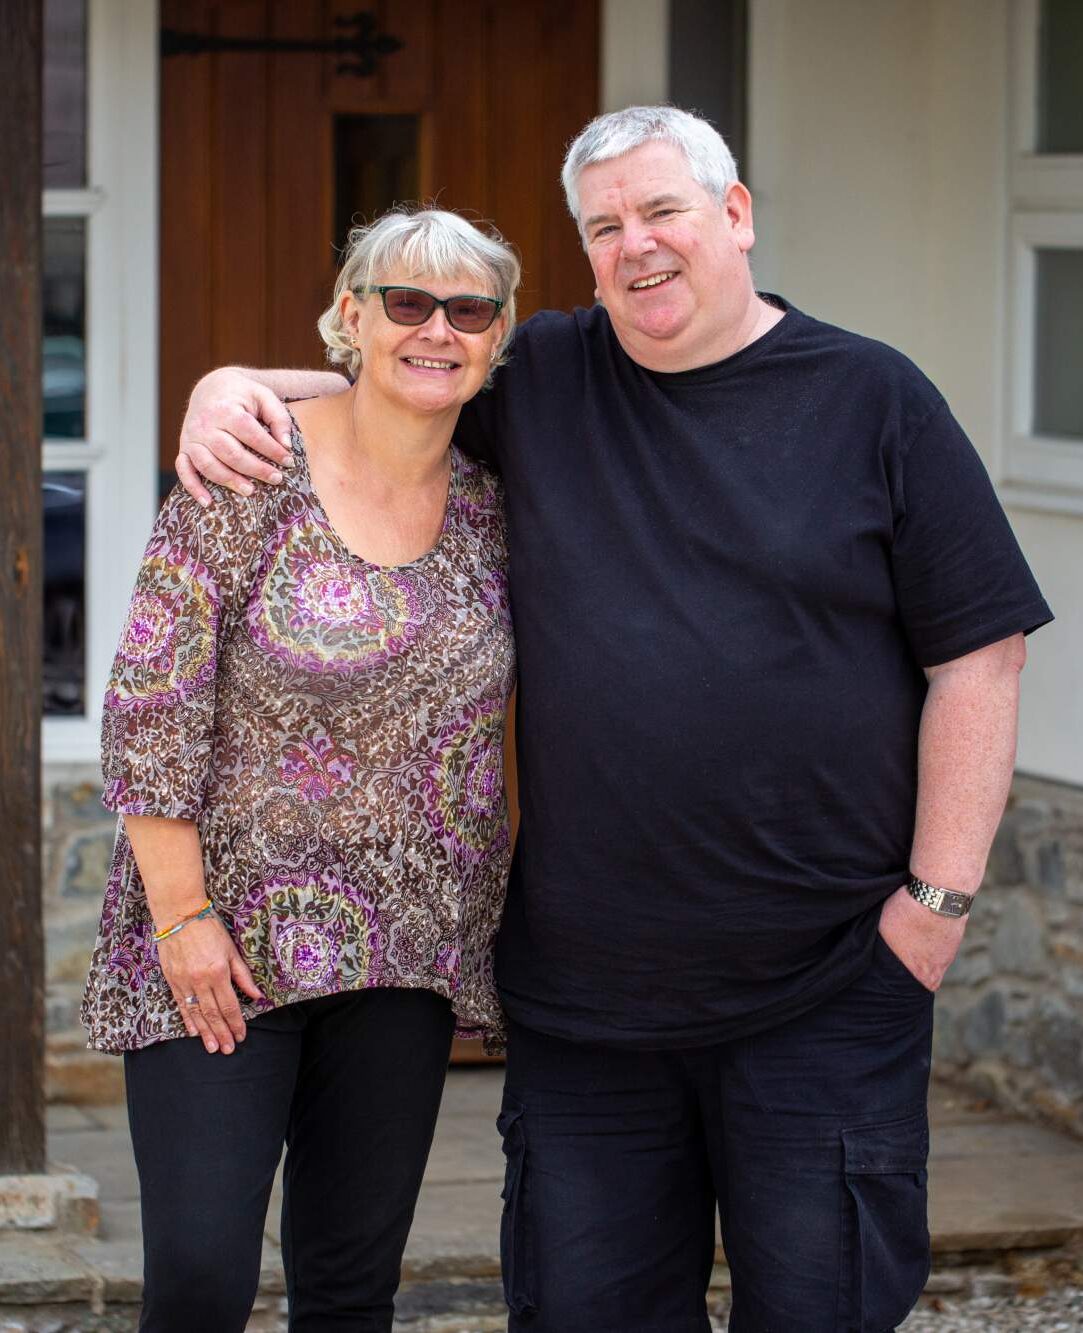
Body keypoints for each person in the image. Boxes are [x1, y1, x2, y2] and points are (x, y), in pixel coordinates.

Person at [174, 107, 1053, 1332]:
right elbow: (400, 383)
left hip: (827, 984)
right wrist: (233, 384)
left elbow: (982, 657)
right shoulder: (545, 377)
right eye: (604, 226)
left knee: (823, 1310)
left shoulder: (873, 398)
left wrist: (936, 909)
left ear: (735, 215)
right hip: (589, 1010)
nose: (635, 246)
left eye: (663, 212)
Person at [81, 207, 520, 1333]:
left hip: (404, 955)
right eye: (406, 302)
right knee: (197, 1278)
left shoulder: (495, 506)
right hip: (221, 947)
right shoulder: (249, 472)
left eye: (467, 308)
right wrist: (181, 922)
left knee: (349, 1288)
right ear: (350, 318)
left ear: (498, 334)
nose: (437, 328)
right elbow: (149, 707)